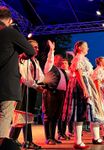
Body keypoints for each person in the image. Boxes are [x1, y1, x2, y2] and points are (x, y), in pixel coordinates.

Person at [0, 6, 35, 139]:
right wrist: (19, 52)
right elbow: (31, 51)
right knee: (4, 116)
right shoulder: (10, 32)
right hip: (6, 83)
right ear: (9, 20)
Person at [9, 40, 45, 149]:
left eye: (37, 47)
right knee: (20, 116)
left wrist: (42, 85)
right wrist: (35, 86)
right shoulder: (23, 59)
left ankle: (28, 141)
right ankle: (11, 140)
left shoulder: (35, 61)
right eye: (34, 47)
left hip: (32, 89)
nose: (37, 49)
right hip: (24, 89)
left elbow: (41, 76)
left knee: (28, 117)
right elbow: (24, 77)